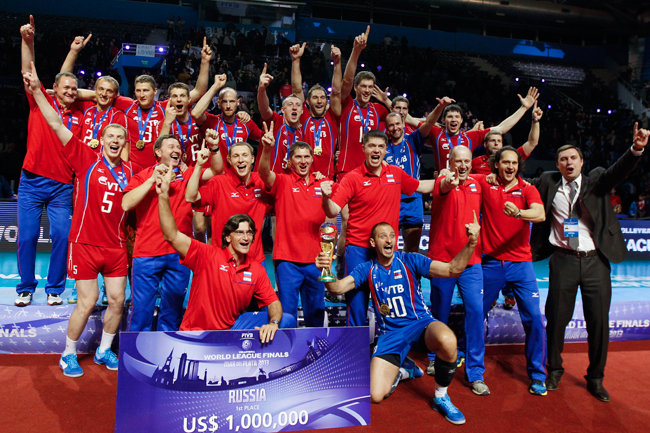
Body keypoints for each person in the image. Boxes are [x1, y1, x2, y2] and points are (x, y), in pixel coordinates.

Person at [23, 61, 133, 377]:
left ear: (124, 143)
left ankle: (104, 350)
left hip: (115, 247)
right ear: (102, 138)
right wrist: (37, 92)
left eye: (120, 137)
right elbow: (56, 123)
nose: (115, 140)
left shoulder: (130, 173)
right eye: (110, 136)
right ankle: (68, 353)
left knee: (117, 300)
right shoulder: (85, 158)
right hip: (85, 244)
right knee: (88, 301)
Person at [315, 219, 480, 425]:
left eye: (392, 236)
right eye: (383, 236)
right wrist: (327, 272)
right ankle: (405, 370)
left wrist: (471, 243)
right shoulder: (367, 269)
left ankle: (441, 396)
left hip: (420, 325)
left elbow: (452, 269)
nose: (389, 240)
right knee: (375, 395)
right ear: (373, 243)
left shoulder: (410, 260)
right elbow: (337, 288)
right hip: (390, 335)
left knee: (447, 339)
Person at [530, 124, 649, 401]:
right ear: (557, 165)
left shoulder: (597, 179)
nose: (568, 162)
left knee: (599, 323)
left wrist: (636, 149)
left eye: (573, 158)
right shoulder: (548, 182)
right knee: (556, 320)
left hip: (596, 262)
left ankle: (596, 378)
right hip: (563, 260)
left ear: (581, 162)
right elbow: (517, 181)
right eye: (563, 159)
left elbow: (618, 170)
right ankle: (554, 370)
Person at [158, 172, 295, 340]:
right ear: (228, 237)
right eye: (240, 233)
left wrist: (273, 323)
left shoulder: (255, 269)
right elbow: (171, 235)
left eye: (249, 233)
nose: (246, 237)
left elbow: (273, 302)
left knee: (286, 320)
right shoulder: (206, 255)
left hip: (232, 331)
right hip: (198, 333)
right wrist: (163, 196)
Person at [320, 130, 435, 327]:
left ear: (385, 150)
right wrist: (325, 197)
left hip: (386, 251)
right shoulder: (352, 178)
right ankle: (356, 345)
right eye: (372, 146)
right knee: (357, 307)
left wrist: (445, 181)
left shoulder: (395, 173)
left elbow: (421, 186)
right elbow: (332, 209)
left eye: (381, 146)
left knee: (390, 304)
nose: (376, 150)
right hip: (358, 249)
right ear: (364, 148)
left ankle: (387, 342)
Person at [15, 16, 84, 307]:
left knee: (61, 236)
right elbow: (27, 71)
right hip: (31, 182)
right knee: (27, 238)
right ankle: (25, 288)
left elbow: (100, 95)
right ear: (54, 88)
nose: (69, 92)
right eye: (64, 87)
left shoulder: (81, 114)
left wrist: (74, 54)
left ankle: (54, 288)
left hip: (62, 187)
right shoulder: (40, 101)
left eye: (74, 89)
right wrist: (27, 41)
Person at [121, 132, 221, 332]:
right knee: (141, 312)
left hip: (179, 254)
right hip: (147, 252)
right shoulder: (143, 175)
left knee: (172, 312)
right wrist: (152, 180)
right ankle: (137, 350)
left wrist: (214, 148)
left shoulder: (188, 174)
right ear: (158, 152)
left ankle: (167, 347)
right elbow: (126, 204)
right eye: (171, 146)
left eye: (178, 147)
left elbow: (217, 170)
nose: (176, 150)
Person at [478, 146, 547, 396]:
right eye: (505, 162)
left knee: (535, 319)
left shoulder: (527, 189)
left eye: (514, 163)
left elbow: (539, 214)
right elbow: (462, 176)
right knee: (476, 314)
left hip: (521, 265)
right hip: (491, 263)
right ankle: (466, 355)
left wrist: (519, 213)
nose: (510, 167)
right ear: (496, 164)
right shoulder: (485, 183)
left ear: (519, 166)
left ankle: (537, 374)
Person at [426, 145, 488, 395]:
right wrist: (448, 180)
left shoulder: (478, 183)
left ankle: (476, 372)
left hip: (471, 262)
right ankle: (434, 357)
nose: (462, 165)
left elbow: (496, 176)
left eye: (466, 161)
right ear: (449, 162)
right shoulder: (442, 181)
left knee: (476, 312)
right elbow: (444, 185)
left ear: (471, 163)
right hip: (442, 261)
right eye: (458, 161)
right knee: (439, 312)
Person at [472, 105, 543, 310]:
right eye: (492, 140)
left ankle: (509, 293)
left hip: (514, 218)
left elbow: (532, 143)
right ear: (485, 144)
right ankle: (492, 292)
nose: (496, 143)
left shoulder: (514, 163)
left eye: (499, 140)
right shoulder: (476, 163)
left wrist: (535, 121)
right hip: (488, 214)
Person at [259, 123, 329, 326]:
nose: (303, 161)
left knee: (316, 314)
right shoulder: (282, 182)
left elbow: (332, 217)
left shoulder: (322, 184)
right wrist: (267, 149)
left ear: (312, 159)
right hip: (287, 261)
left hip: (316, 261)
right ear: (290, 161)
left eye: (307, 157)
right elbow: (264, 172)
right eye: (298, 157)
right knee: (286, 315)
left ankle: (315, 346)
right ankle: (286, 347)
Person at [114, 37, 211, 171]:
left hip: (159, 167)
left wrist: (205, 62)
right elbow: (99, 95)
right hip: (134, 169)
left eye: (146, 90)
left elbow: (199, 91)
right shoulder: (128, 105)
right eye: (138, 91)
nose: (142, 95)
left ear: (155, 91)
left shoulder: (166, 106)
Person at [185, 142, 272, 264]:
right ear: (229, 160)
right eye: (236, 156)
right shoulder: (218, 183)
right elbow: (190, 197)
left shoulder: (261, 182)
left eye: (245, 155)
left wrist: (267, 148)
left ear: (252, 159)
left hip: (254, 260)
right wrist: (199, 165)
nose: (241, 160)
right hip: (223, 261)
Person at [384, 99, 449, 252]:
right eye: (391, 125)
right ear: (387, 128)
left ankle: (410, 269)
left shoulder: (413, 140)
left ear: (403, 124)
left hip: (413, 200)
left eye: (398, 124)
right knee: (389, 247)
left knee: (412, 247)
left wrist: (440, 107)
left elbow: (429, 123)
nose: (395, 127)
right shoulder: (382, 146)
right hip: (391, 200)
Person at [429, 87, 539, 172]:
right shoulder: (436, 133)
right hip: (442, 183)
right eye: (450, 117)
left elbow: (501, 128)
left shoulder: (470, 137)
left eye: (457, 117)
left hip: (463, 187)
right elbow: (421, 123)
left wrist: (524, 108)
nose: (454, 119)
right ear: (443, 120)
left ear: (461, 120)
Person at [290, 42, 342, 178]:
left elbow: (336, 92)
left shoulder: (332, 117)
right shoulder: (304, 116)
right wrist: (295, 60)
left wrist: (337, 63)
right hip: (303, 178)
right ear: (307, 102)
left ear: (327, 101)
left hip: (327, 179)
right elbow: (297, 89)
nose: (319, 101)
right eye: (315, 97)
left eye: (322, 98)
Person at [257, 64, 304, 173]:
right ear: (283, 110)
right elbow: (264, 108)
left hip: (288, 181)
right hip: (266, 180)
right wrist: (261, 89)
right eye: (290, 104)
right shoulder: (275, 121)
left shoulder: (303, 132)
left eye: (298, 105)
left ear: (302, 111)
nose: (294, 107)